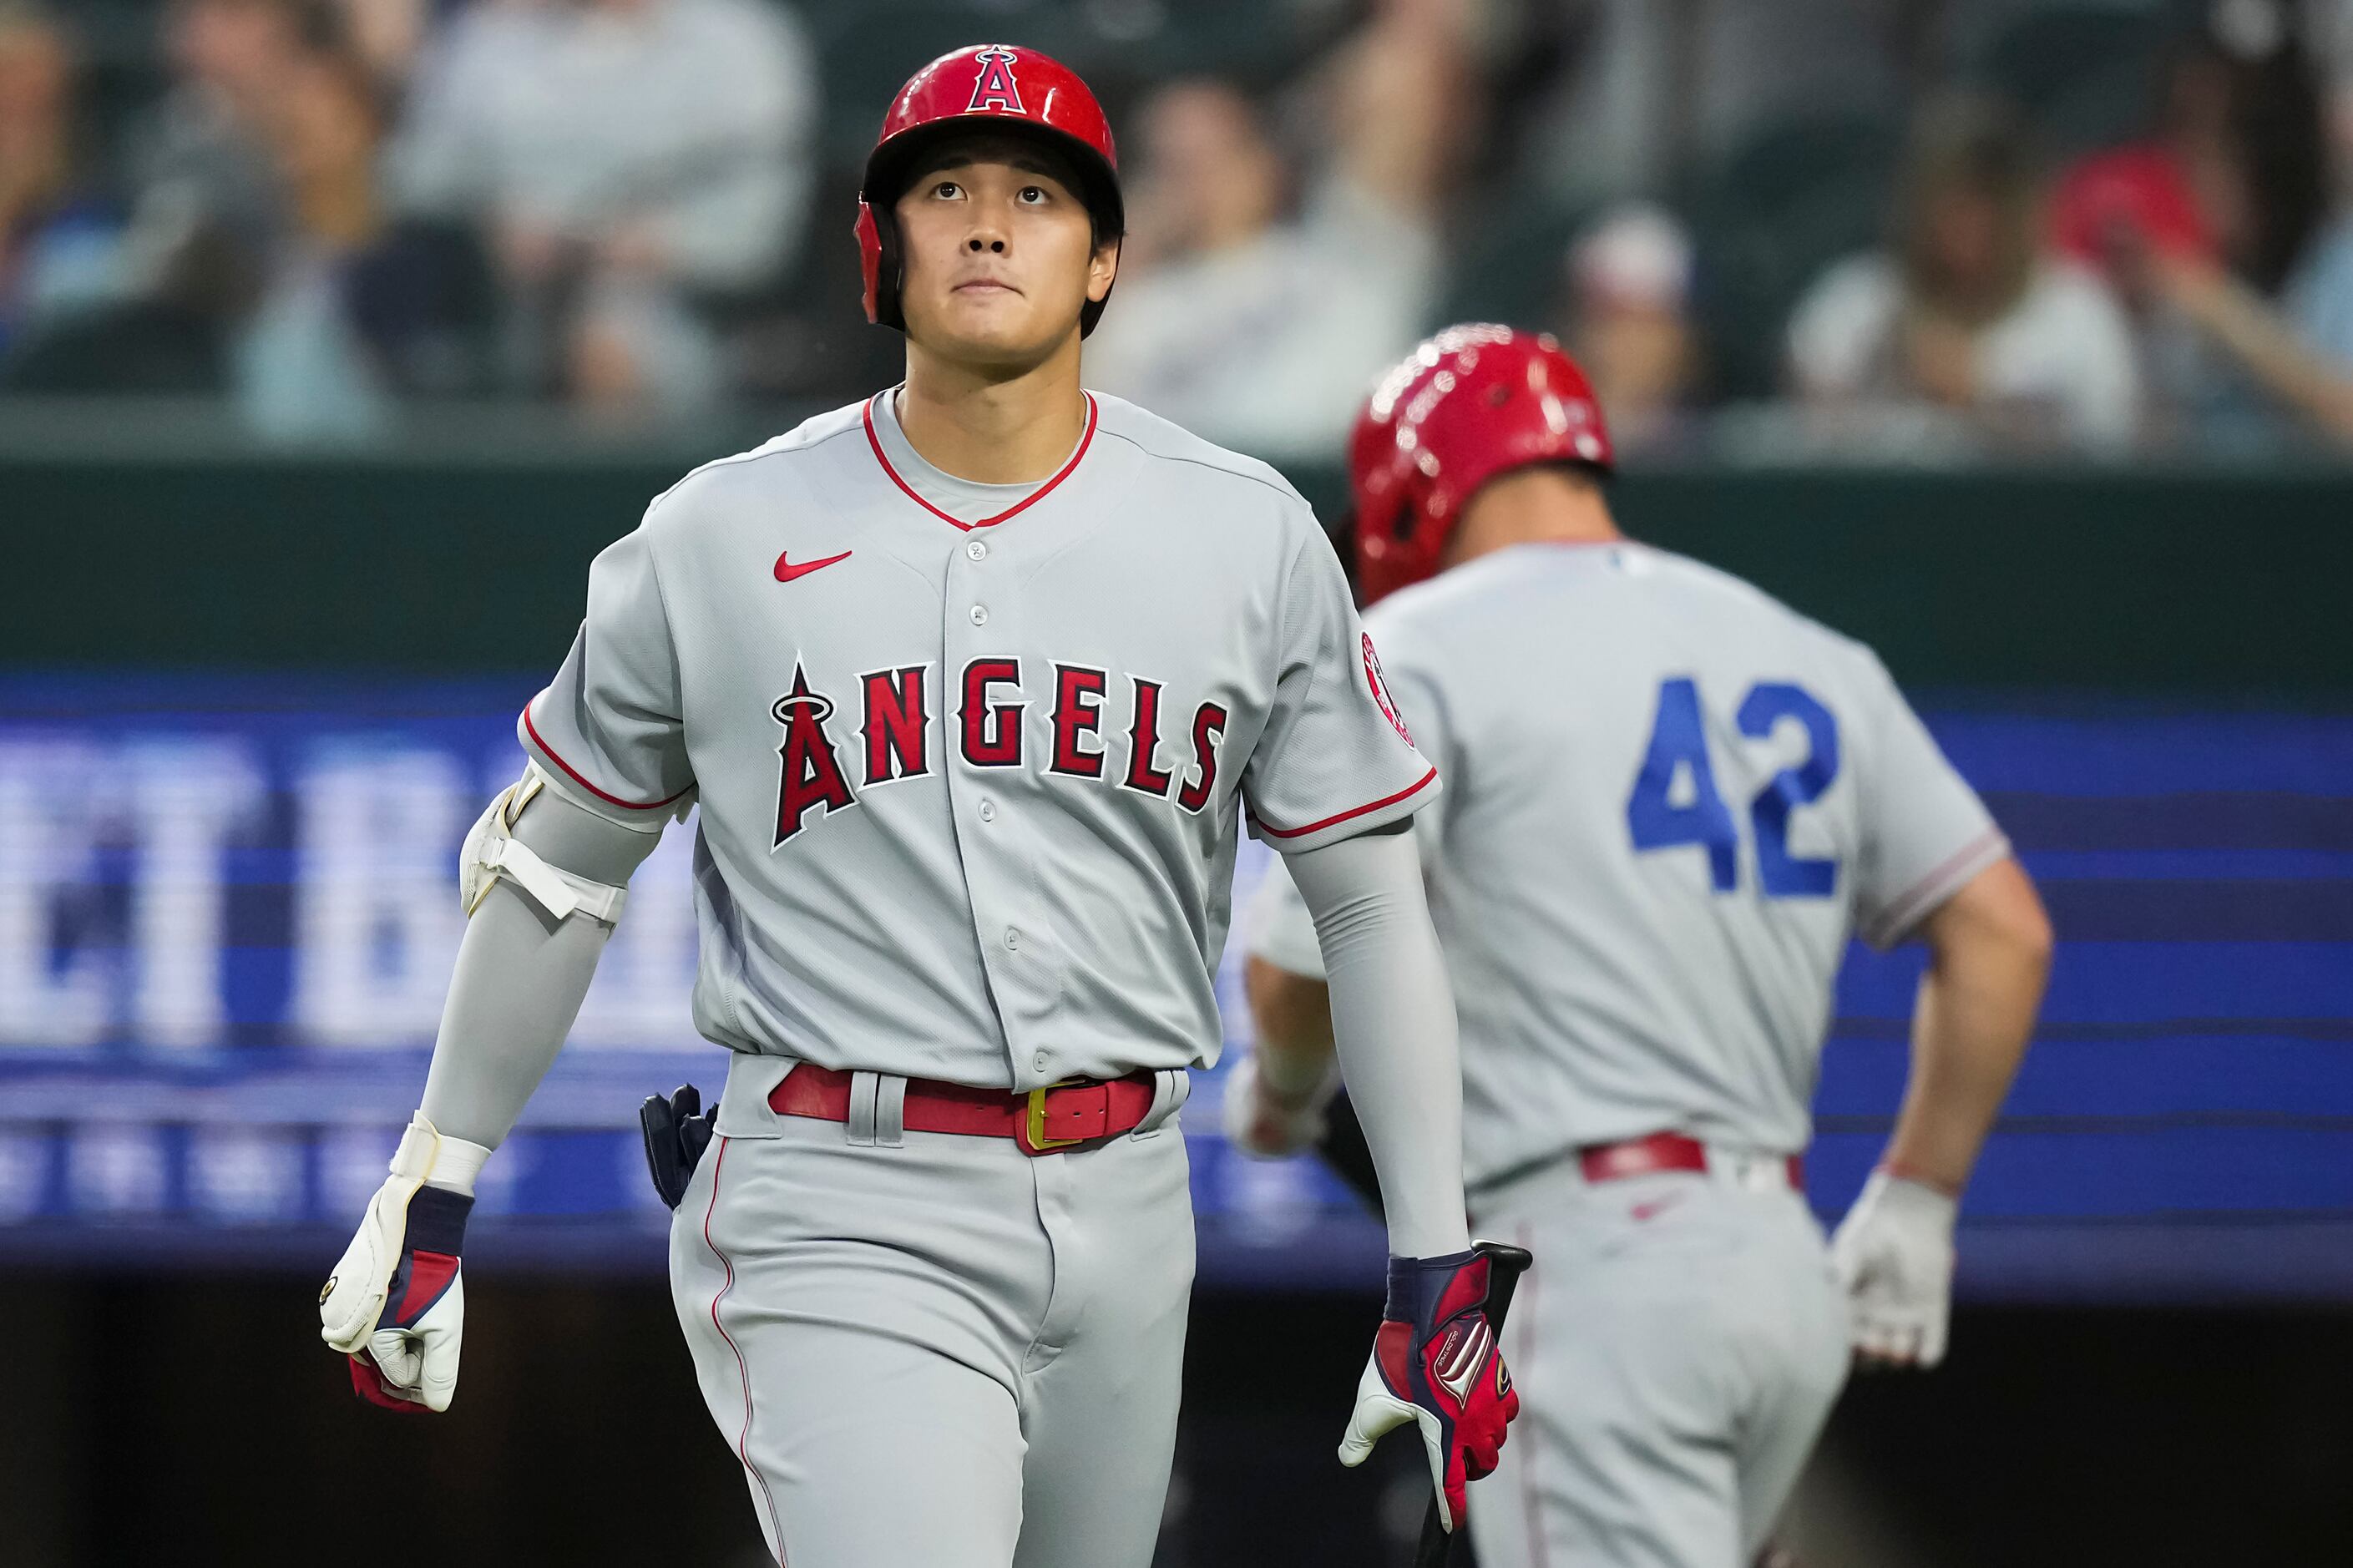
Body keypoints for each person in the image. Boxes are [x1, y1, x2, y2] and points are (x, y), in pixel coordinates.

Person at [316, 44, 1518, 1568]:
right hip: (836, 1189)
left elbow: (1362, 893)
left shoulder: (1246, 535)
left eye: (1036, 192)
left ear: (1104, 263)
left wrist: (1433, 1249)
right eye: (944, 189)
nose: (989, 223)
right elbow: (559, 870)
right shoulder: (719, 531)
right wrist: (438, 1172)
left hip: (1131, 1191)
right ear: (881, 250)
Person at [1232, 325, 2053, 1565]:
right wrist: (1919, 1196)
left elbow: (1292, 978)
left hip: (1594, 1271)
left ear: (1414, 489)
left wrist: (1281, 1101)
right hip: (1780, 1270)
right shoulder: (1805, 650)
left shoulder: (1417, 644)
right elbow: (2001, 928)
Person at [386, 0, 817, 418]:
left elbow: (765, 232)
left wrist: (658, 245)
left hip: (684, 310)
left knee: (612, 331)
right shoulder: (497, 35)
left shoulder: (741, 40)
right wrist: (491, 217)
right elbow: (412, 175)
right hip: (499, 298)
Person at [1080, 2, 1462, 460]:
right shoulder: (1134, 312)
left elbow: (1410, 70)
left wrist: (1316, 104)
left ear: (1265, 158)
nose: (1200, 178)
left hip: (1327, 496)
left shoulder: (1347, 249)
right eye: (1176, 162)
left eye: (1218, 151)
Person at [1789, 97, 2139, 453]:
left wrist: (1981, 393)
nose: (1965, 220)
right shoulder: (1857, 300)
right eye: (1950, 196)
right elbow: (1805, 416)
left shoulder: (2079, 311)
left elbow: (2114, 445)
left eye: (1987, 199)